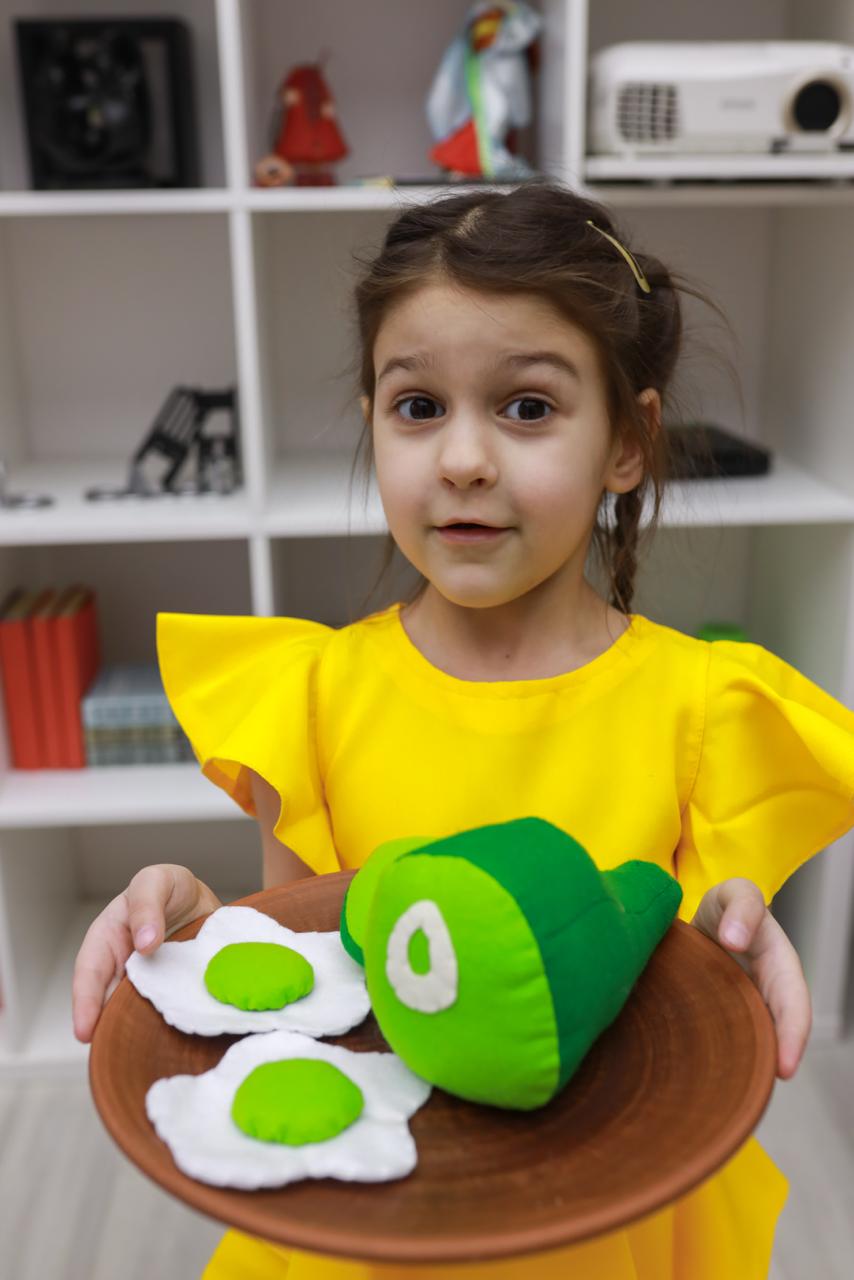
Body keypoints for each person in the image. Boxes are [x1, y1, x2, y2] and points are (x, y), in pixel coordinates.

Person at [72, 179, 854, 1280]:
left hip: (602, 1218)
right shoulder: (316, 689)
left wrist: (731, 930)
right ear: (372, 422)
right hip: (375, 1210)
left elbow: (685, 959)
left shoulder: (703, 709)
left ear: (627, 443)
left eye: (526, 407)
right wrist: (204, 930)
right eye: (418, 406)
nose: (462, 459)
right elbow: (309, 964)